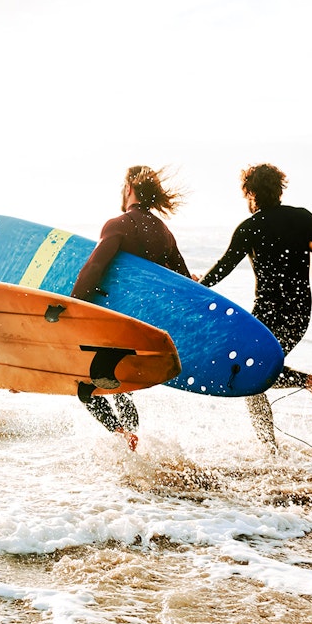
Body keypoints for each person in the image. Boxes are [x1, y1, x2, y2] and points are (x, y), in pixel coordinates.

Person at [198, 163, 312, 453]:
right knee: (250, 374)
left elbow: (223, 268)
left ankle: (273, 445)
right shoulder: (302, 218)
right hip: (300, 313)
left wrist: (197, 288)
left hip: (267, 316)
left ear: (250, 193)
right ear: (279, 189)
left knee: (246, 375)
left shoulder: (250, 227)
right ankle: (273, 442)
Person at [70, 165, 192, 451]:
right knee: (122, 387)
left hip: (113, 324)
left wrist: (73, 307)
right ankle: (133, 443)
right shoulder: (165, 233)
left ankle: (123, 434)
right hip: (144, 328)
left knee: (85, 386)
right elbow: (185, 282)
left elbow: (93, 268)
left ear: (128, 190)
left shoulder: (118, 224)